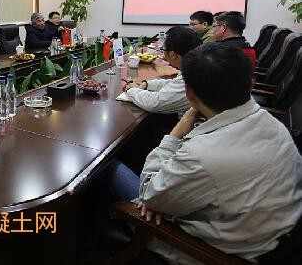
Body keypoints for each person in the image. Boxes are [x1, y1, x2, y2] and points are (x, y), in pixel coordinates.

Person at [114, 44, 302, 263]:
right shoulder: (276, 126)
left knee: (111, 166)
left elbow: (148, 195)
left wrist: (175, 134)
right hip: (265, 236)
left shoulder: (202, 156)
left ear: (189, 94)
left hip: (205, 250)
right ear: (250, 84)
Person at [125, 26, 201, 116]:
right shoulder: (196, 66)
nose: (163, 55)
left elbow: (154, 103)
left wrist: (131, 90)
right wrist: (148, 84)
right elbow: (174, 84)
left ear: (173, 54)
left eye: (163, 49)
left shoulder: (191, 77)